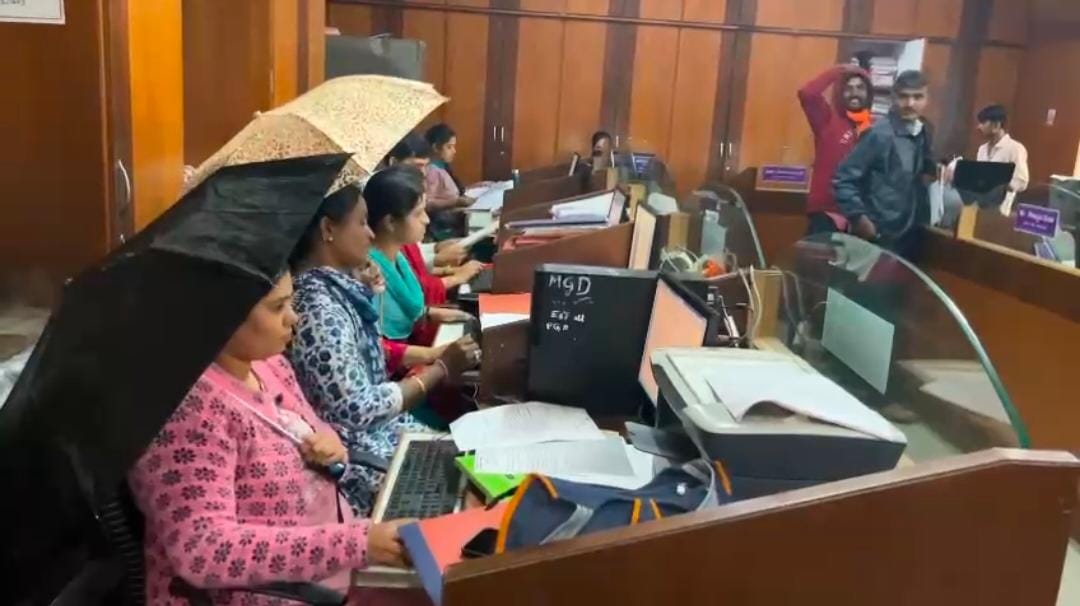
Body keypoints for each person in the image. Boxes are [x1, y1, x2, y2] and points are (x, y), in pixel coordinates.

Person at [128, 271, 413, 605]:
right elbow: (204, 550)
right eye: (279, 307)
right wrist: (358, 544)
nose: (294, 316)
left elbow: (315, 429)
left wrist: (331, 445)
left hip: (336, 570)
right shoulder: (187, 413)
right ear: (223, 316)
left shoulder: (269, 366)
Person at [288, 184, 479, 514]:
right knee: (471, 486)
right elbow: (358, 410)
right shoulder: (320, 310)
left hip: (380, 435)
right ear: (328, 230)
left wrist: (365, 291)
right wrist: (440, 370)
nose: (369, 233)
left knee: (476, 457)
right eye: (361, 223)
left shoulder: (334, 289)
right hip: (362, 454)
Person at [834, 70, 936, 260]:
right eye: (904, 97)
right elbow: (843, 179)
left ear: (927, 99)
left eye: (918, 97)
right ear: (893, 97)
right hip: (879, 235)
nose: (910, 104)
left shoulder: (924, 131)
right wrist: (860, 218)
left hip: (913, 233)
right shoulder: (879, 134)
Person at [387, 132, 485, 292]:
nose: (424, 173)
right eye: (418, 166)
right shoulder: (386, 196)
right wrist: (441, 264)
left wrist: (435, 248)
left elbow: (409, 252)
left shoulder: (403, 191)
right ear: (393, 163)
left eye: (426, 166)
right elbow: (398, 265)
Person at [798, 64, 873, 234]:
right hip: (826, 215)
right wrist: (838, 71)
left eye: (860, 88)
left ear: (869, 94)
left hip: (862, 219)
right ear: (840, 93)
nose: (854, 93)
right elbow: (807, 94)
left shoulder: (876, 129)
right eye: (848, 88)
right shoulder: (827, 120)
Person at [975, 104, 1029, 216]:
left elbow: (1021, 181)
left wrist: (999, 183)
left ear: (996, 125)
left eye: (983, 123)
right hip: (979, 205)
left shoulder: (1015, 148)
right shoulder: (982, 149)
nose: (979, 127)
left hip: (1002, 210)